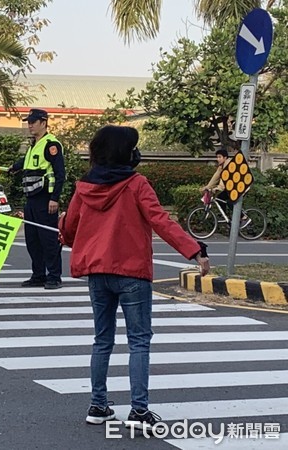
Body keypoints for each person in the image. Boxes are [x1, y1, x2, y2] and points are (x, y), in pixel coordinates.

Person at [58, 125, 210, 431]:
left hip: (97, 273)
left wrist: (68, 230)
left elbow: (69, 230)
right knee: (139, 342)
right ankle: (139, 411)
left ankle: (98, 406)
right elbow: (161, 221)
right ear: (126, 153)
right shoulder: (136, 184)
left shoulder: (84, 187)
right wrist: (194, 251)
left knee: (102, 339)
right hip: (132, 273)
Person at [10, 108, 66, 290]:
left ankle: (54, 276)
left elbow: (60, 173)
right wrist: (12, 168)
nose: (30, 125)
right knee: (32, 239)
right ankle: (38, 275)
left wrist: (55, 198)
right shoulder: (34, 144)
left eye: (33, 122)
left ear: (44, 122)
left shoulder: (51, 145)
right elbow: (25, 162)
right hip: (32, 199)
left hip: (45, 199)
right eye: (28, 122)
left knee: (48, 239)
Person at [200, 148, 232, 215]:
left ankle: (244, 217)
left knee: (230, 203)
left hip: (241, 187)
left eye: (220, 157)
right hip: (231, 188)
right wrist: (207, 187)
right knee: (219, 199)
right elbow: (215, 178)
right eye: (217, 157)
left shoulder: (229, 164)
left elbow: (224, 179)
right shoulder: (221, 166)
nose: (218, 159)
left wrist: (219, 188)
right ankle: (226, 218)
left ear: (225, 158)